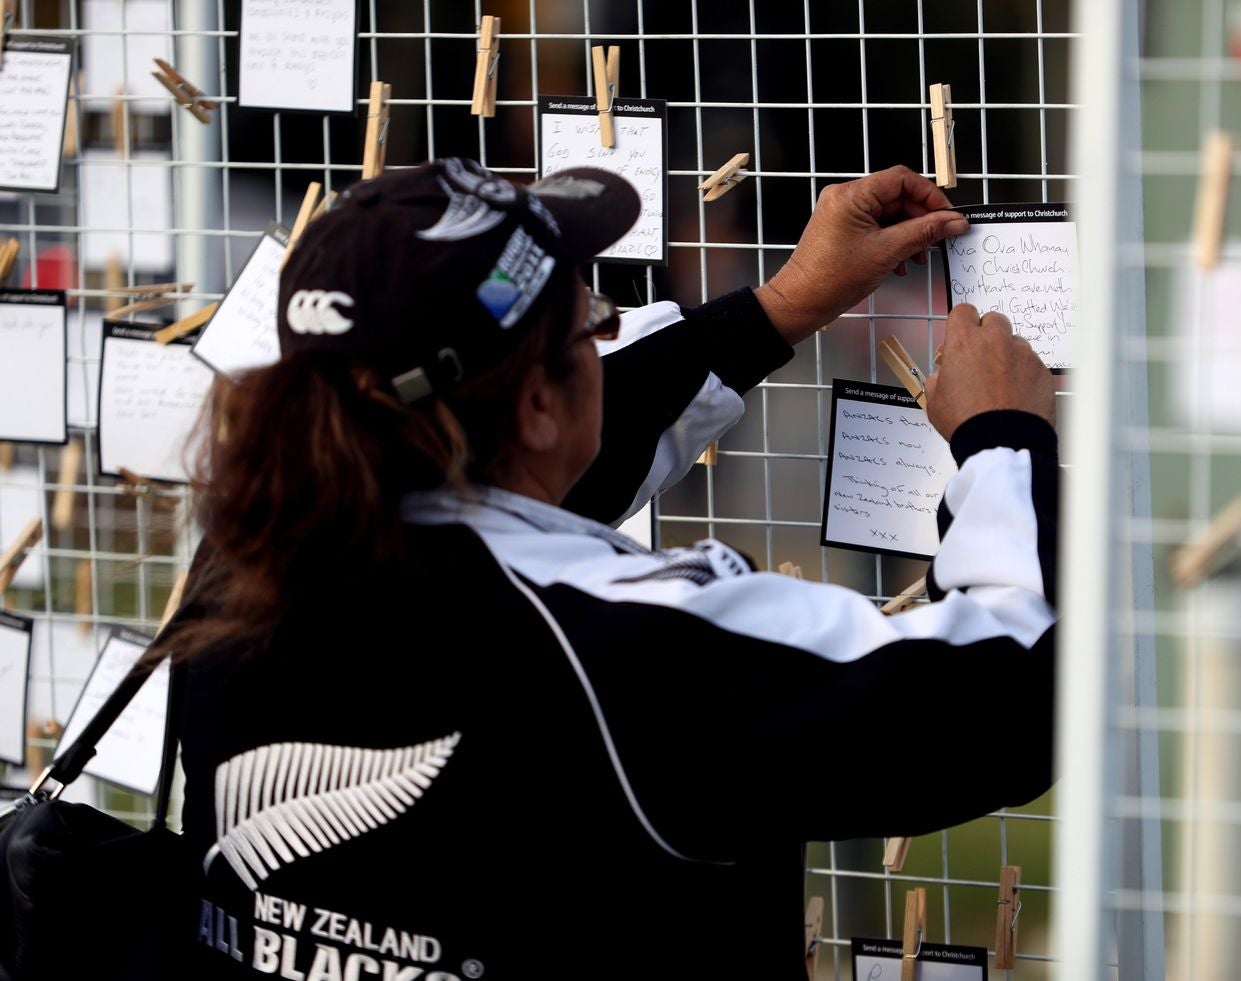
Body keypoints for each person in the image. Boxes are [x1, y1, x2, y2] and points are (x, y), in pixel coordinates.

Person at [168, 157, 1059, 980]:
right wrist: (1002, 439)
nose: (606, 346)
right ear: (540, 400)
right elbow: (1010, 693)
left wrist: (784, 302)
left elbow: (534, 459)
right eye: (594, 325)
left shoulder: (245, 560)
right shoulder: (618, 649)